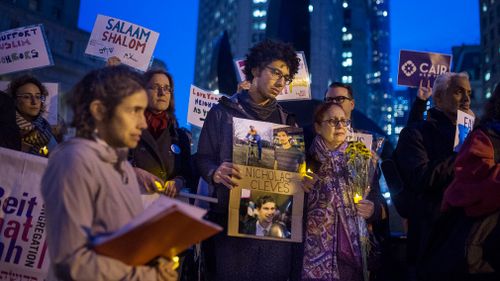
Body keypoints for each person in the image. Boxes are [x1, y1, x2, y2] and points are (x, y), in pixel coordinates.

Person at [41, 65, 177, 281]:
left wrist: (154, 260)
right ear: (99, 110)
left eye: (144, 112)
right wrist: (146, 275)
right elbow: (73, 264)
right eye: (134, 110)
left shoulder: (121, 165)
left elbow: (120, 242)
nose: (143, 123)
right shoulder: (75, 160)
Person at [197, 39, 314, 281]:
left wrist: (301, 180)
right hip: (231, 225)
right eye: (275, 73)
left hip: (275, 232)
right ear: (255, 70)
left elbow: (294, 171)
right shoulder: (222, 113)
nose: (281, 82)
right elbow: (202, 158)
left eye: (286, 77)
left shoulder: (288, 122)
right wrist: (214, 172)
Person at [392, 72, 473, 279]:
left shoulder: (475, 136)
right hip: (432, 243)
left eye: (469, 93)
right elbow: (422, 178)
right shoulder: (415, 134)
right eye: (458, 92)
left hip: (470, 244)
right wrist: (464, 152)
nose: (466, 99)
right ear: (438, 98)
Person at [302, 102, 382, 281]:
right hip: (313, 253)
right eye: (332, 121)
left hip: (351, 253)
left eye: (343, 121)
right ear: (317, 127)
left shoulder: (360, 158)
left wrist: (372, 209)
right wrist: (300, 186)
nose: (340, 126)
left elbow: (376, 199)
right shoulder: (305, 159)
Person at [129, 69, 193, 198]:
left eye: (167, 88)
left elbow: (188, 173)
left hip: (166, 208)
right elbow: (111, 162)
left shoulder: (180, 136)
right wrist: (132, 172)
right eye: (155, 87)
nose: (162, 93)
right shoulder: (128, 128)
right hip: (132, 202)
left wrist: (179, 181)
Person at [2, 75, 57, 157]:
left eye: (38, 97)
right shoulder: (5, 129)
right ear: (14, 100)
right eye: (27, 97)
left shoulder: (45, 129)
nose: (34, 102)